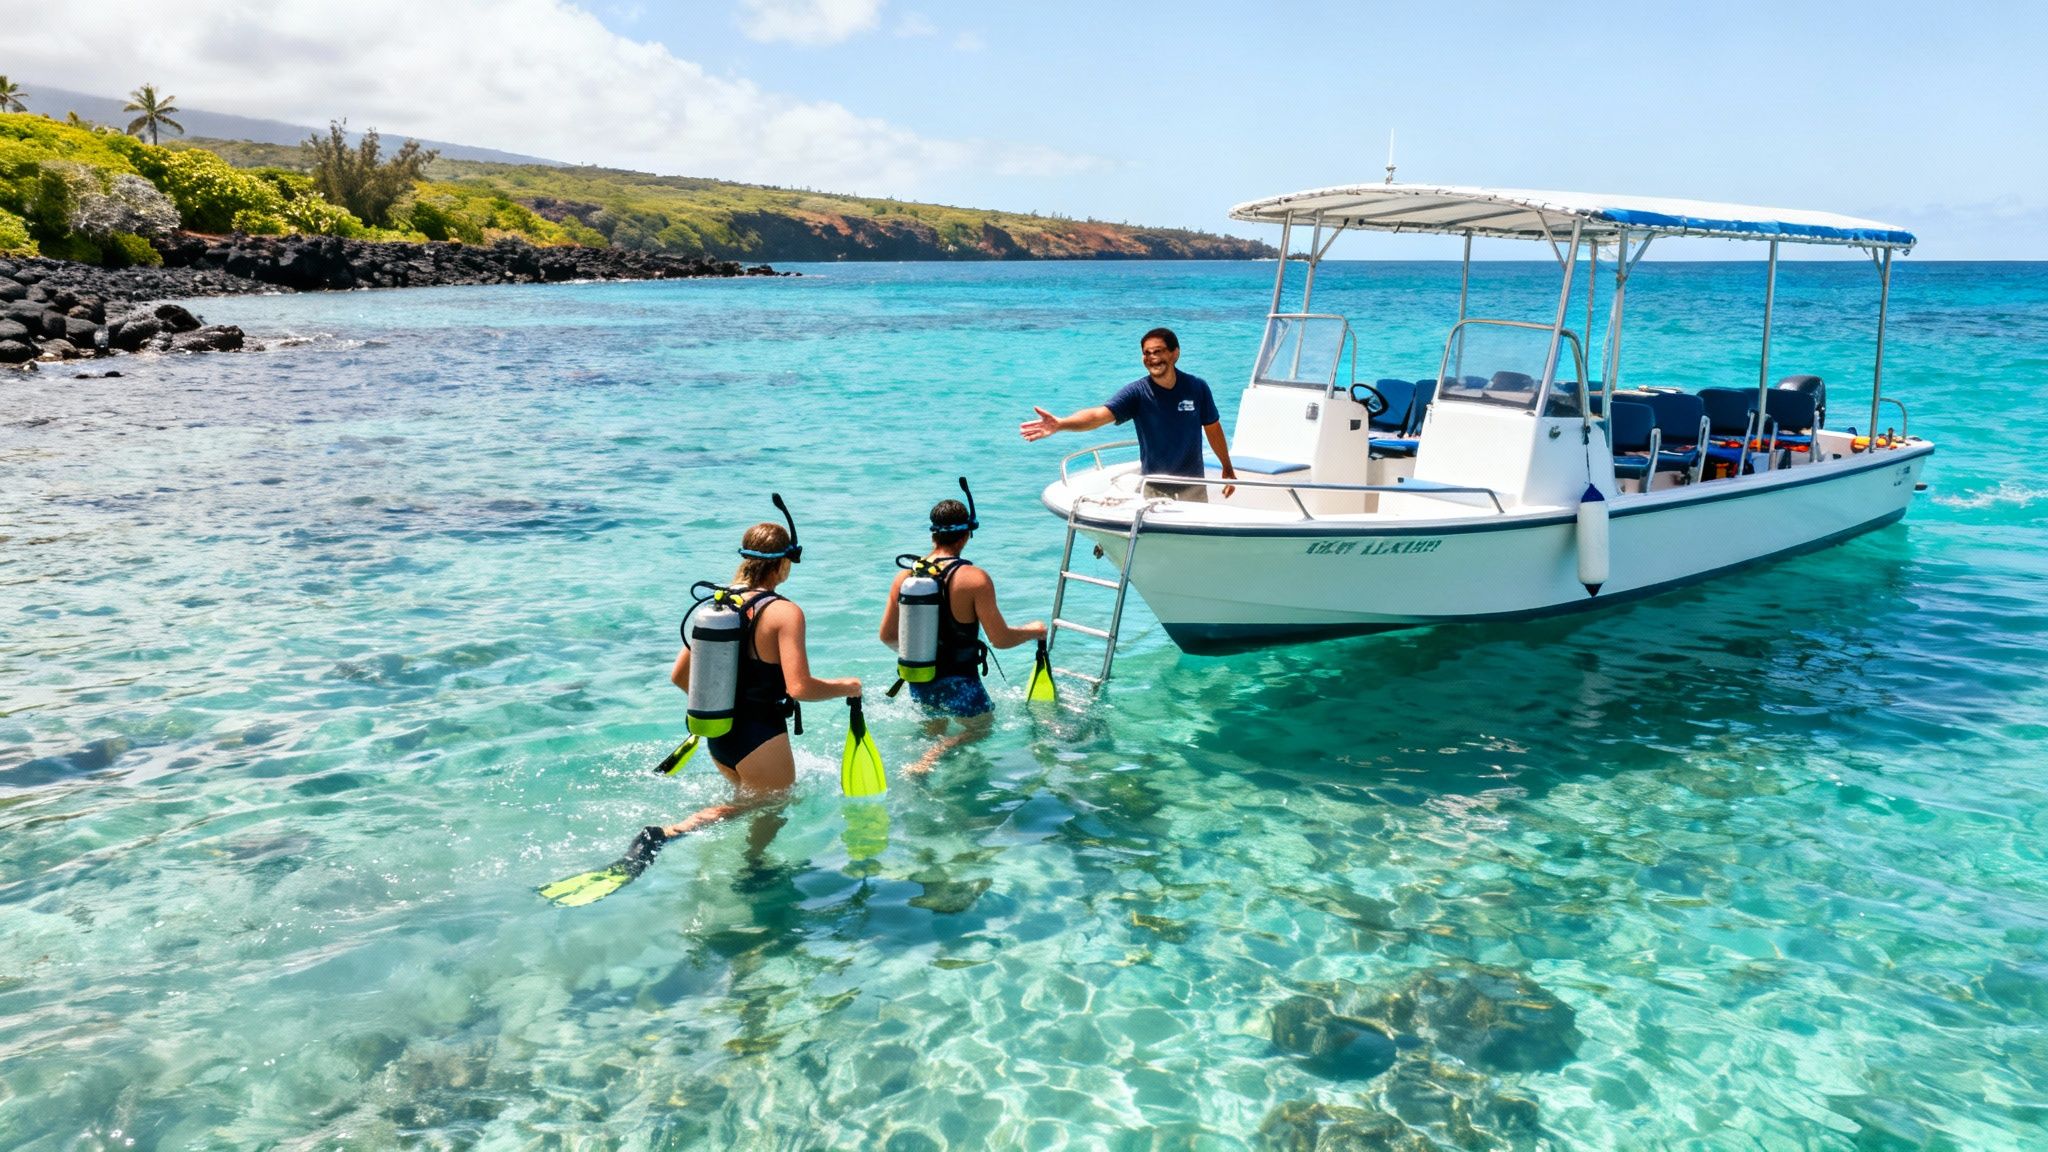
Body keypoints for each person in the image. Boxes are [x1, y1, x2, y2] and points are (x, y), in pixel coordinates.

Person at [660, 519, 862, 839]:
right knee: (771, 804)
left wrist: (719, 705)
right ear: (783, 564)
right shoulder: (784, 612)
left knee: (756, 809)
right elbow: (799, 687)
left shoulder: (718, 605)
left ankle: (753, 868)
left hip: (720, 733)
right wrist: (847, 687)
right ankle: (672, 832)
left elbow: (679, 677)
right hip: (760, 735)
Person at [879, 496, 1046, 774]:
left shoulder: (906, 577)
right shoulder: (974, 578)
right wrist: (1034, 631)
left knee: (932, 729)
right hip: (962, 682)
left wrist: (925, 654)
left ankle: (921, 765)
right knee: (982, 728)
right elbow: (1000, 639)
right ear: (967, 534)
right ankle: (929, 760)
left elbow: (886, 636)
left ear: (933, 534)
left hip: (921, 678)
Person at [1019, 327, 1236, 500]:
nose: (1152, 358)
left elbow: (1213, 429)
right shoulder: (1137, 393)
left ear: (1175, 353)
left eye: (1158, 351)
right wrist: (1061, 424)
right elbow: (1098, 415)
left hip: (1194, 487)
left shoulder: (1197, 387)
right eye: (1147, 353)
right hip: (1153, 489)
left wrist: (1227, 467)